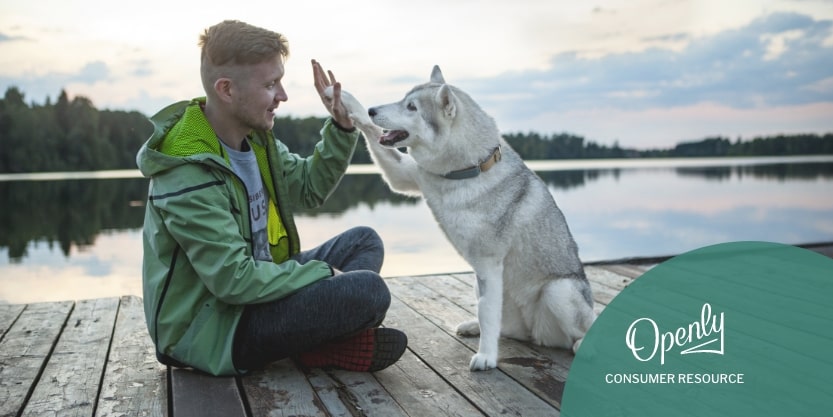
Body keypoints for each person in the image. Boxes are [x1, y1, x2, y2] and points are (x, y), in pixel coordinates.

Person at [136, 19, 406, 376]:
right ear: (227, 90)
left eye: (280, 81)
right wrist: (325, 274)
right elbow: (233, 280)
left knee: (363, 242)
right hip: (213, 330)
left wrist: (342, 129)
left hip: (258, 293)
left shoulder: (257, 141)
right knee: (368, 292)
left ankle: (317, 341)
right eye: (270, 84)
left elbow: (309, 189)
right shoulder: (188, 171)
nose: (282, 95)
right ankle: (322, 339)